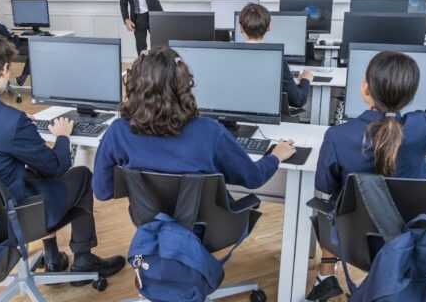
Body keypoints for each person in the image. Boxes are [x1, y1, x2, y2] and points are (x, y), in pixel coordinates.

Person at [308, 0, 426, 302]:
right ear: (411, 96)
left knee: (326, 207)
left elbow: (326, 193)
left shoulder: (339, 136)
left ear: (364, 88)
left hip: (354, 243)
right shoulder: (423, 129)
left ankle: (325, 278)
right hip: (411, 240)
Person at [0, 30, 124, 280]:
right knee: (82, 176)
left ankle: (53, 258)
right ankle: (84, 260)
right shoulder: (10, 122)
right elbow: (57, 166)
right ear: (3, 70)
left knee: (33, 172)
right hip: (15, 219)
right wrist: (63, 136)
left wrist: (21, 128)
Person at [92, 46, 297, 203]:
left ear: (134, 84)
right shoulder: (209, 132)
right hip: (208, 228)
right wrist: (275, 155)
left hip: (148, 223)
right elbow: (252, 178)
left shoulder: (118, 131)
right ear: (183, 84)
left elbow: (102, 192)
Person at [238, 3, 313, 108]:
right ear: (269, 27)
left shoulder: (226, 57)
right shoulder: (277, 59)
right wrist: (305, 79)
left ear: (240, 28)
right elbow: (297, 100)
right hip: (267, 117)